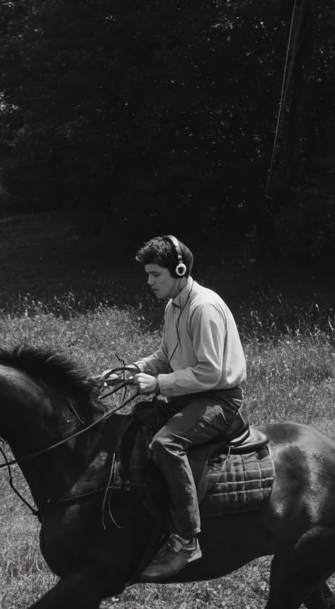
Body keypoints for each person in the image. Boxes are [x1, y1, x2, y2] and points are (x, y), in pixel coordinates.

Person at [105, 235, 247, 580]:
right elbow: (165, 357)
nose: (149, 282)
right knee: (134, 426)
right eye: (148, 274)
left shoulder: (205, 309)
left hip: (219, 401)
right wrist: (132, 371)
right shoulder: (174, 306)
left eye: (156, 274)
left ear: (179, 270)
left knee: (164, 444)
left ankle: (186, 538)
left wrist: (158, 385)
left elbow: (211, 373)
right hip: (190, 398)